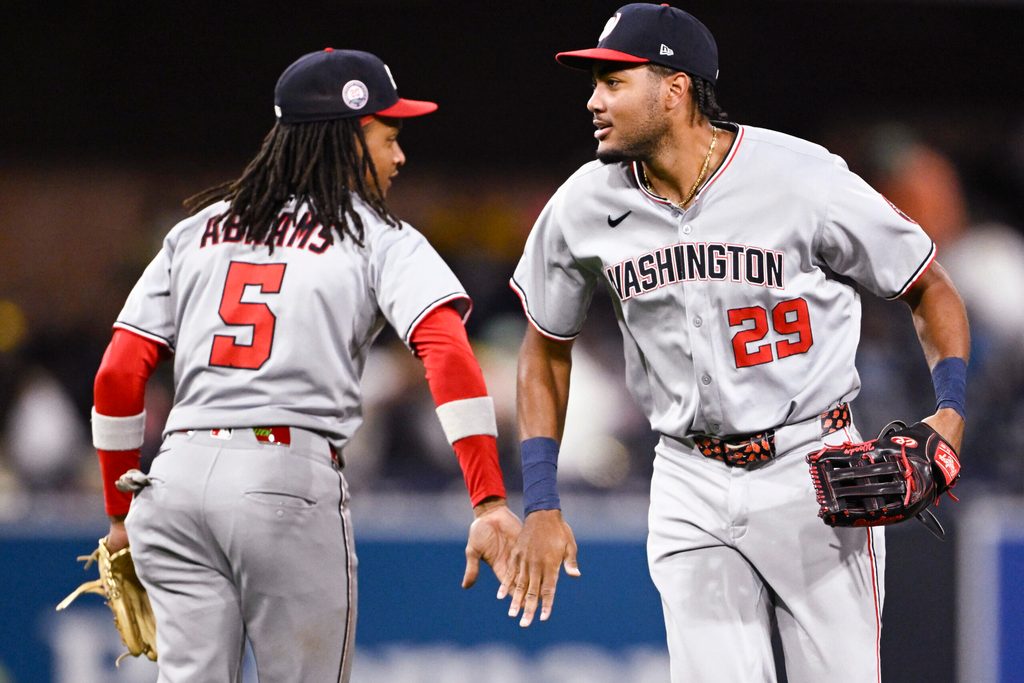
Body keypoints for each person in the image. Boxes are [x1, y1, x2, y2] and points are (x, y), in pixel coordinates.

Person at [502, 4, 970, 682]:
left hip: (813, 467)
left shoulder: (799, 176)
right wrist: (541, 499)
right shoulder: (581, 205)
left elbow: (930, 285)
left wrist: (949, 412)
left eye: (613, 82)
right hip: (688, 479)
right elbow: (544, 348)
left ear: (675, 88)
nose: (593, 100)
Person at [90, 48, 521, 682]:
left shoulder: (194, 232)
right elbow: (447, 352)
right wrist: (487, 499)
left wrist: (120, 514)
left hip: (173, 480)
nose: (400, 157)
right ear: (349, 137)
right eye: (388, 136)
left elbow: (118, 374)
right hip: (283, 476)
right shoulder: (378, 237)